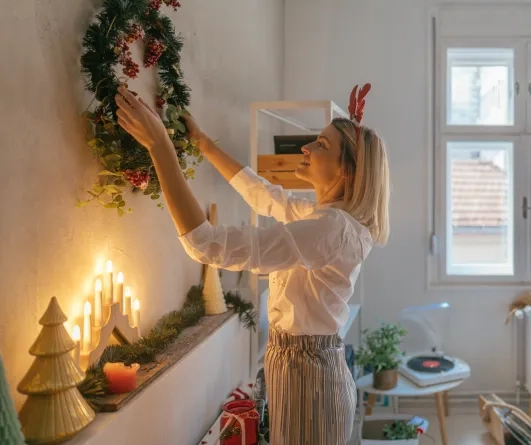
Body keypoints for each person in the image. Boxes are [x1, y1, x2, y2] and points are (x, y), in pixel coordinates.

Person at [114, 83, 389, 445]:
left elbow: (207, 244)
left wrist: (160, 147)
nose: (305, 148)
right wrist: (204, 144)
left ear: (347, 172)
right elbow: (264, 195)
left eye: (320, 145)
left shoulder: (330, 229)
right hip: (304, 370)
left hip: (309, 379)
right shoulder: (326, 219)